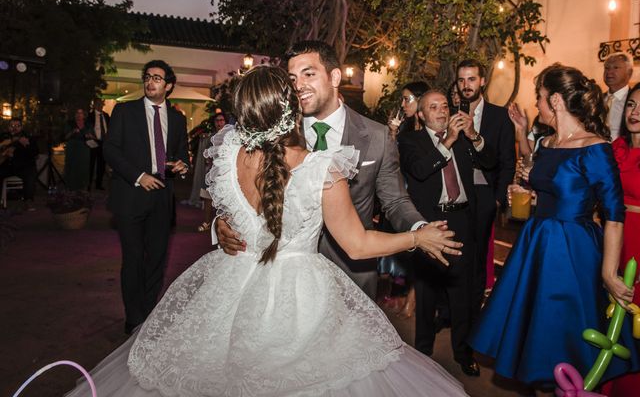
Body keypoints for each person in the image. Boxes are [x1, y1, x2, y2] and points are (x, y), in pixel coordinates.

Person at [67, 65, 468, 397]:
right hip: (301, 298)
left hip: (229, 285)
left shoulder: (227, 157)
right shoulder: (320, 169)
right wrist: (418, 237)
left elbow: (228, 214)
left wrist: (223, 225)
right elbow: (357, 243)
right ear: (293, 111)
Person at [215, 41, 457, 299]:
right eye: (292, 78)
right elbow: (251, 192)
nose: (298, 85)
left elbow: (395, 201)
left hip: (351, 274)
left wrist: (419, 229)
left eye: (309, 74)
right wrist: (224, 224)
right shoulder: (278, 136)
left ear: (335, 76)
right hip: (280, 277)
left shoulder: (377, 136)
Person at [469, 64, 639, 391]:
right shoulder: (546, 144)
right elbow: (547, 185)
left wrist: (608, 274)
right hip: (535, 243)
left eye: (541, 98)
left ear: (557, 101)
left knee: (568, 333)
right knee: (534, 331)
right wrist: (528, 194)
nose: (538, 105)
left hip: (573, 248)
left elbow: (614, 215)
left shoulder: (596, 148)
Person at [398, 90, 496, 377]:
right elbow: (418, 170)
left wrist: (474, 136)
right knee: (427, 292)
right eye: (433, 107)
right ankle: (423, 352)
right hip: (430, 225)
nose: (441, 111)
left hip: (463, 220)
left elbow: (490, 162)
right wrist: (449, 141)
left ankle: (463, 352)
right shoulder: (410, 141)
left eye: (444, 106)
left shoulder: (465, 138)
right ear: (421, 114)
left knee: (462, 294)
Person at [103, 60, 189, 335]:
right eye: (148, 77)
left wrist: (182, 165)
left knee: (156, 259)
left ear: (169, 85)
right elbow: (111, 149)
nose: (150, 82)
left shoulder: (177, 119)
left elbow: (182, 154)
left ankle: (148, 312)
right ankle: (134, 316)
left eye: (157, 78)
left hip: (162, 196)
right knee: (133, 258)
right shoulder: (125, 111)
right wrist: (139, 176)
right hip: (130, 195)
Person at [455, 59, 515, 320]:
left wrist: (499, 199)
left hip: (484, 193)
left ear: (482, 81)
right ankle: (451, 310)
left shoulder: (499, 116)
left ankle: (473, 312)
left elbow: (507, 160)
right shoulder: (451, 113)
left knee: (479, 257)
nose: (466, 85)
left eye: (471, 79)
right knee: (455, 251)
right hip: (456, 193)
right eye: (461, 80)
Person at [601, 82, 640, 396]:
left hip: (638, 240)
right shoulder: (615, 149)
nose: (635, 112)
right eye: (631, 104)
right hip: (613, 234)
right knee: (608, 318)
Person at [382, 80, 430, 316]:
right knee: (404, 241)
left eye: (407, 99)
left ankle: (414, 296)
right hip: (403, 186)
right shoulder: (405, 128)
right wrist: (391, 135)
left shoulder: (431, 127)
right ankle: (403, 291)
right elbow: (392, 161)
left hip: (422, 187)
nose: (403, 104)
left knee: (421, 240)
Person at [196, 112, 227, 232]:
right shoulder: (210, 137)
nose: (219, 123)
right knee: (208, 198)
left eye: (221, 120)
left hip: (225, 172)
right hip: (212, 171)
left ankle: (224, 225)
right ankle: (207, 222)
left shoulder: (230, 136)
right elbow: (206, 155)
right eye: (217, 121)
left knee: (225, 200)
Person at [0, 117, 38, 209]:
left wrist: (26, 145)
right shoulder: (3, 136)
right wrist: (5, 150)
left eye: (17, 126)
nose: (14, 128)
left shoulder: (28, 137)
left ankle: (28, 200)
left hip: (23, 166)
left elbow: (35, 152)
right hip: (7, 166)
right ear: (8, 127)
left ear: (21, 127)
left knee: (30, 171)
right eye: (12, 125)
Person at [603, 52, 633, 140]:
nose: (609, 72)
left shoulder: (634, 101)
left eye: (615, 67)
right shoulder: (596, 99)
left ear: (629, 72)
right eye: (606, 68)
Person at [63, 108, 95, 191]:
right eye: (77, 113)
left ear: (84, 115)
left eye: (81, 113)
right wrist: (72, 132)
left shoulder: (88, 124)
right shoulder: (70, 123)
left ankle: (82, 186)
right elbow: (65, 137)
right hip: (72, 148)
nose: (78, 115)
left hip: (84, 148)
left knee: (83, 167)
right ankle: (70, 186)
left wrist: (90, 136)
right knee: (72, 166)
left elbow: (94, 137)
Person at [88, 98, 110, 190]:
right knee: (91, 164)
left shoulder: (106, 115)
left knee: (101, 165)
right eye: (99, 104)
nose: (101, 106)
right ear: (95, 105)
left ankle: (98, 184)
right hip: (93, 142)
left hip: (104, 143)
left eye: (101, 104)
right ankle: (89, 184)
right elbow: (87, 128)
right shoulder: (90, 116)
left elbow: (109, 128)